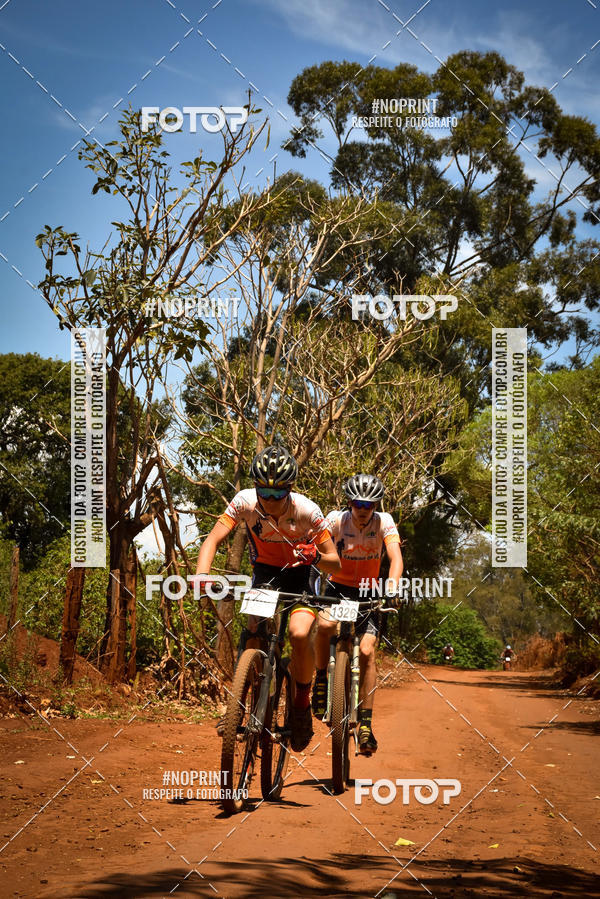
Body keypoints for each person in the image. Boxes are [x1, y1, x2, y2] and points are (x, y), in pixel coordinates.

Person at [194, 445, 341, 752]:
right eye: (265, 493)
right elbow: (212, 539)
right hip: (266, 573)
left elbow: (334, 562)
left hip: (302, 573)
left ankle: (301, 707)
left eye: (279, 495)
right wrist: (201, 573)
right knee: (252, 629)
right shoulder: (244, 502)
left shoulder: (307, 511)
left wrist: (315, 554)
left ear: (290, 490)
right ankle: (238, 704)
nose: (271, 501)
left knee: (299, 634)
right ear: (255, 488)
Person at [312, 474, 403, 755]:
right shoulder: (337, 520)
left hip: (369, 590)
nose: (363, 509)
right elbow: (316, 548)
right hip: (338, 587)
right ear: (349, 503)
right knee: (325, 625)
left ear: (376, 505)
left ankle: (366, 724)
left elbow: (395, 557)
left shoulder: (384, 521)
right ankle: (321, 680)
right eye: (358, 503)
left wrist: (392, 586)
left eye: (369, 504)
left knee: (366, 652)